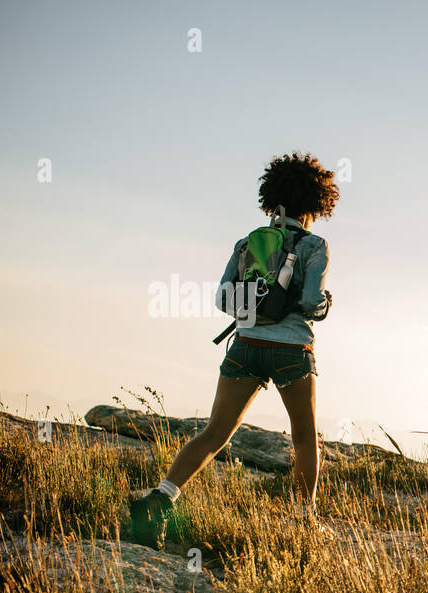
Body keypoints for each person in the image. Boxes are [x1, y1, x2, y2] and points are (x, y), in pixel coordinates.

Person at [130, 152, 338, 548]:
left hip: (244, 346)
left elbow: (224, 298)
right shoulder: (315, 246)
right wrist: (324, 304)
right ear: (315, 204)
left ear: (271, 197)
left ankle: (162, 498)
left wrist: (257, 308)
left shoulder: (248, 242)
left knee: (214, 434)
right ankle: (304, 522)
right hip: (293, 351)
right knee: (304, 439)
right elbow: (312, 302)